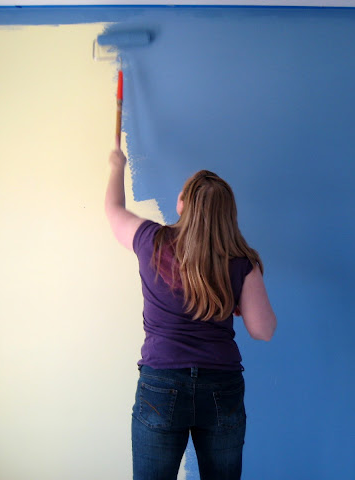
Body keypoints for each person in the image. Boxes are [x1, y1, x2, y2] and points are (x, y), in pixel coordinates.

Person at [105, 145, 277, 480]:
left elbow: (113, 211)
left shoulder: (151, 240)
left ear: (182, 203)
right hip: (221, 386)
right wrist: (238, 299)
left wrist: (116, 166)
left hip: (161, 382)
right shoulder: (242, 261)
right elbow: (263, 330)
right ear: (227, 213)